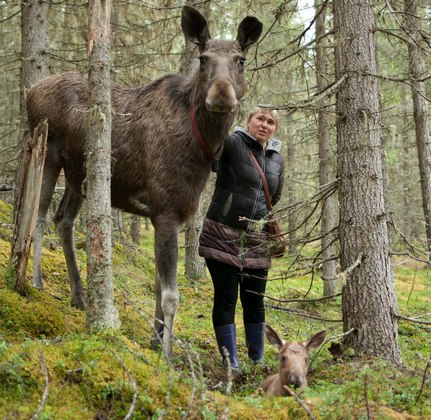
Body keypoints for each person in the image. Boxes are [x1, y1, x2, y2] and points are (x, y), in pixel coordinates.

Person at [199, 106, 284, 369]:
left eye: (270, 122)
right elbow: (211, 152)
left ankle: (257, 359)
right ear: (248, 121)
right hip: (222, 234)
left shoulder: (277, 158)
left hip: (257, 241)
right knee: (226, 298)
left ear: (274, 128)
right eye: (260, 119)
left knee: (254, 300)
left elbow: (276, 194)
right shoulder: (233, 143)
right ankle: (230, 362)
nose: (264, 125)